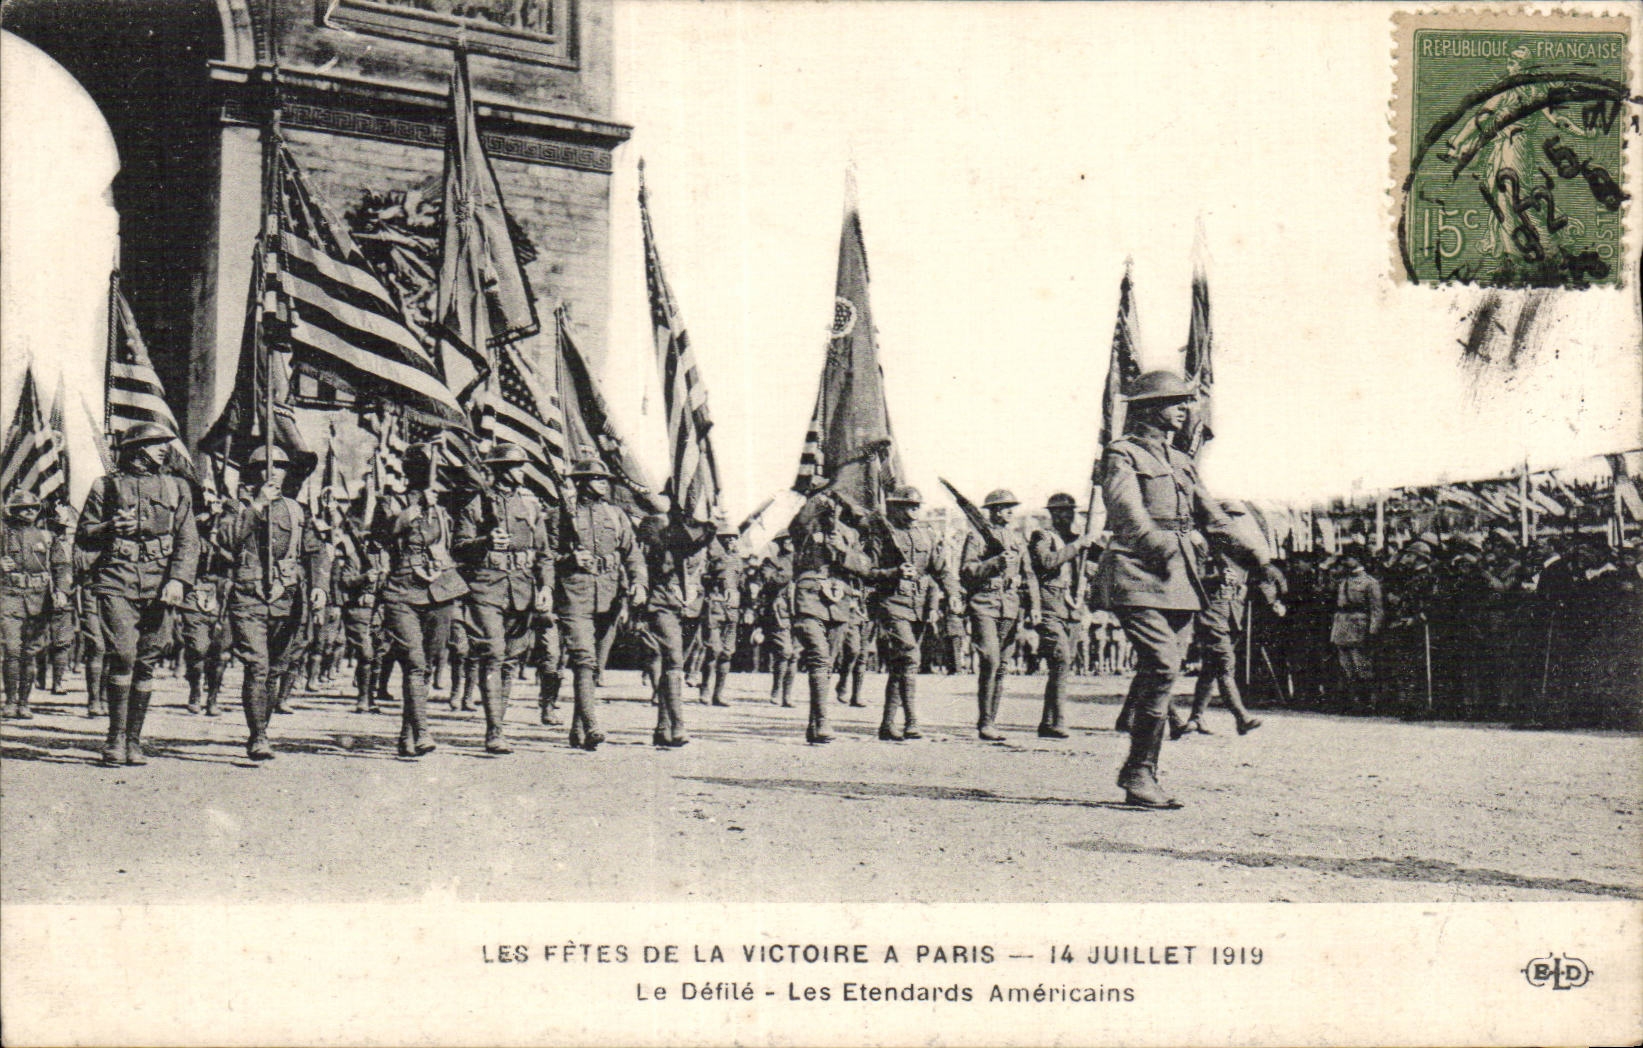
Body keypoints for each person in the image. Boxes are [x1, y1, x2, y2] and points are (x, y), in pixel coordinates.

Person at [1095, 371, 1284, 809]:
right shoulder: (1121, 454)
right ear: (1147, 407)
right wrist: (1159, 546)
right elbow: (1125, 510)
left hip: (1180, 578)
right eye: (1176, 401)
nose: (1186, 409)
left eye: (1187, 401)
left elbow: (1214, 520)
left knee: (1164, 670)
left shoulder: (1181, 461)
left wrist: (1261, 561)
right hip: (1136, 571)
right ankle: (1139, 772)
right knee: (1162, 664)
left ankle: (1142, 770)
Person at [75, 422, 200, 765]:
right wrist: (110, 526)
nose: (164, 448)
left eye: (164, 442)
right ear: (136, 448)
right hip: (118, 578)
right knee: (123, 655)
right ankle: (114, 739)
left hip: (162, 582)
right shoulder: (106, 486)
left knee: (146, 661)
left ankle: (134, 741)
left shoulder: (177, 488)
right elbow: (84, 535)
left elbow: (189, 540)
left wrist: (178, 580)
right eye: (156, 442)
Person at [217, 445, 331, 761]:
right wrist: (256, 506)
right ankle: (258, 736)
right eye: (267, 467)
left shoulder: (297, 510)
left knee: (276, 668)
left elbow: (316, 552)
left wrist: (320, 586)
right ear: (254, 473)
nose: (274, 473)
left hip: (287, 598)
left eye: (280, 467)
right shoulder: (235, 506)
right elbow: (227, 539)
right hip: (249, 595)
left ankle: (262, 727)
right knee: (257, 664)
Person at [453, 443, 554, 755]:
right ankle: (493, 732)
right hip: (486, 587)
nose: (521, 471)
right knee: (494, 653)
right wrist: (484, 542)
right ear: (499, 470)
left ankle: (500, 726)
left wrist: (545, 586)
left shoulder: (531, 505)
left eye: (521, 465)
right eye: (515, 466)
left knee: (512, 658)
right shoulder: (475, 503)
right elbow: (458, 547)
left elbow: (544, 554)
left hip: (521, 589)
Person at [375, 447, 468, 758]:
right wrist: (409, 512)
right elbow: (380, 534)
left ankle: (407, 734)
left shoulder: (441, 508)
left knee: (425, 666)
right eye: (413, 470)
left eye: (425, 469)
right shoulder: (392, 501)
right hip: (402, 591)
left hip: (439, 592)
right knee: (414, 662)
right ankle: (423, 732)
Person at [554, 458, 646, 751]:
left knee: (596, 665)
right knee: (583, 658)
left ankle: (578, 729)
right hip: (575, 593)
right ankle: (592, 724)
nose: (604, 483)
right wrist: (569, 559)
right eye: (596, 478)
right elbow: (544, 556)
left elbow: (632, 553)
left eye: (604, 478)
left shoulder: (616, 515)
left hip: (608, 596)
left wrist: (638, 582)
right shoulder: (559, 516)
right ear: (581, 482)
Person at [865, 485, 958, 740]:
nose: (914, 510)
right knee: (909, 656)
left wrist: (953, 594)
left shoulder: (926, 534)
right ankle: (911, 721)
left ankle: (887, 724)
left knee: (900, 665)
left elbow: (941, 569)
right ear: (894, 507)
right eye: (908, 506)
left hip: (917, 606)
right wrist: (894, 572)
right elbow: (867, 572)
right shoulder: (882, 536)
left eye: (917, 506)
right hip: (891, 602)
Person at [788, 489, 876, 743]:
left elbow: (865, 566)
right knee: (820, 658)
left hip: (840, 602)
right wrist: (817, 497)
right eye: (830, 503)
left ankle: (815, 724)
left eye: (838, 504)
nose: (834, 508)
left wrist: (844, 552)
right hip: (810, 599)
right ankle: (824, 721)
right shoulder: (806, 530)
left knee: (828, 664)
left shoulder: (850, 535)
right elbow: (799, 522)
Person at [959, 488, 1037, 741]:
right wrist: (994, 564)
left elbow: (1029, 575)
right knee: (990, 660)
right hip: (985, 603)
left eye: (1012, 507)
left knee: (1002, 665)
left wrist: (1034, 606)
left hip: (1010, 605)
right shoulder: (977, 537)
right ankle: (984, 721)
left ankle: (990, 721)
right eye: (1005, 507)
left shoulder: (1017, 540)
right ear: (992, 511)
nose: (1010, 512)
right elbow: (967, 572)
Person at [1173, 525, 1263, 737]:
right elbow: (1190, 580)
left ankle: (1196, 718)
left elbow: (1239, 587)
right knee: (1225, 666)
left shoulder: (1229, 554)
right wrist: (1216, 579)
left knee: (1210, 671)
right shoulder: (1196, 547)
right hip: (1211, 619)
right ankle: (1242, 717)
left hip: (1229, 620)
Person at [638, 504, 714, 746]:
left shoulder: (700, 529)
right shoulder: (655, 523)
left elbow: (717, 557)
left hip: (691, 606)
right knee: (673, 658)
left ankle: (663, 727)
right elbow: (660, 552)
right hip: (662, 601)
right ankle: (678, 725)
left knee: (674, 662)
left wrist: (711, 527)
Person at [1029, 493, 1100, 738]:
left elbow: (1097, 564)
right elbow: (1047, 562)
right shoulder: (1042, 536)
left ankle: (1047, 722)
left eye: (1068, 511)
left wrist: (1090, 556)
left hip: (1073, 608)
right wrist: (1078, 547)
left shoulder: (1080, 540)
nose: (1064, 515)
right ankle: (1058, 720)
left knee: (1062, 666)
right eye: (1058, 511)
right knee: (1060, 659)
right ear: (1050, 514)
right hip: (1050, 606)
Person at [1, 494, 70, 720]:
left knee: (29, 652)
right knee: (12, 650)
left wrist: (61, 591)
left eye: (33, 507)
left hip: (39, 598)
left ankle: (23, 702)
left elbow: (60, 566)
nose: (29, 511)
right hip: (10, 595)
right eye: (23, 508)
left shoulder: (48, 537)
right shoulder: (3, 535)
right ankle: (10, 701)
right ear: (13, 510)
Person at [178, 501, 231, 716]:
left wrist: (218, 544)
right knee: (198, 648)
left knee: (220, 653)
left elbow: (237, 559)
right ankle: (195, 690)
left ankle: (213, 698)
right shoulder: (194, 539)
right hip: (195, 591)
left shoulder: (231, 534)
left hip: (224, 595)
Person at [1330, 552, 1385, 711]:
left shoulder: (1370, 582)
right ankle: (1353, 702)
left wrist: (1373, 630)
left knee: (1361, 664)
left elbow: (1377, 609)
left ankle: (1368, 702)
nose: (1346, 561)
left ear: (1358, 559)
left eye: (1349, 557)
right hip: (1342, 624)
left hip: (1358, 625)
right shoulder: (1343, 580)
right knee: (1346, 665)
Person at [699, 519, 742, 706]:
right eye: (728, 538)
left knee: (727, 653)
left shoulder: (738, 560)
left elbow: (742, 585)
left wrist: (748, 608)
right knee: (713, 650)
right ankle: (705, 689)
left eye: (734, 538)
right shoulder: (711, 558)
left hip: (732, 610)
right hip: (714, 608)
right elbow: (702, 578)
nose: (732, 541)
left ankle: (718, 694)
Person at [760, 531, 797, 706]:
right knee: (785, 652)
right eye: (785, 540)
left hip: (801, 611)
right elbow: (768, 581)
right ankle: (777, 689)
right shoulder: (772, 562)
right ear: (780, 543)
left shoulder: (804, 561)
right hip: (779, 612)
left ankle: (787, 695)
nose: (789, 543)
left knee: (795, 654)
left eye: (792, 539)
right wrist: (790, 572)